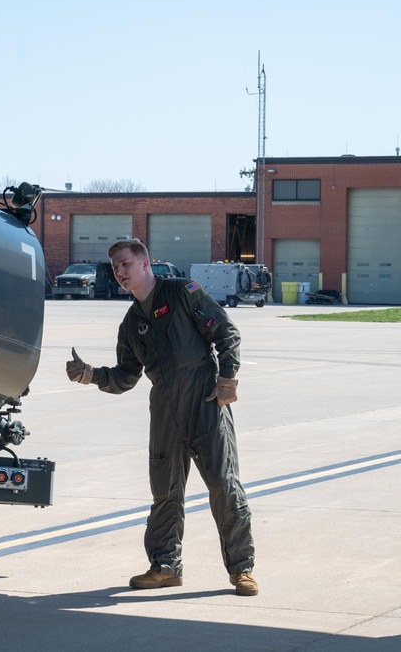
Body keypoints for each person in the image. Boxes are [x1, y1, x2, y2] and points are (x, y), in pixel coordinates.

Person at [65, 238, 258, 597]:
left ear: (145, 264)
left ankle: (242, 569)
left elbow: (226, 332)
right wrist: (90, 374)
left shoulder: (183, 292)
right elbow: (125, 376)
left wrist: (227, 378)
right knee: (165, 492)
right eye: (114, 268)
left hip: (205, 399)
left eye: (125, 264)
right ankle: (166, 565)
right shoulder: (131, 322)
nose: (119, 272)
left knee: (223, 485)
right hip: (165, 408)